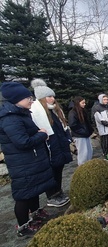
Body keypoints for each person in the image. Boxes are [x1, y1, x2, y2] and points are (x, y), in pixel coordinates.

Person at [0, 82, 56, 237]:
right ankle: (23, 226)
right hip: (22, 164)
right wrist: (42, 134)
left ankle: (36, 213)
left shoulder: (21, 113)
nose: (31, 100)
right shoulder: (10, 118)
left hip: (30, 161)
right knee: (24, 195)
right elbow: (22, 142)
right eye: (28, 98)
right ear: (17, 99)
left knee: (34, 189)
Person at [30, 79, 72, 208]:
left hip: (59, 145)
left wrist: (67, 139)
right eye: (49, 96)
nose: (53, 99)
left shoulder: (54, 111)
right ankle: (52, 196)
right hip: (50, 147)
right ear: (42, 98)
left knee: (59, 170)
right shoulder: (37, 112)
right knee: (52, 172)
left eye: (53, 96)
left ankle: (58, 192)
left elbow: (62, 126)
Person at [68, 96, 94, 166]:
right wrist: (83, 131)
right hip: (79, 136)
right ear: (78, 103)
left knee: (89, 151)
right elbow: (73, 125)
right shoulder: (73, 113)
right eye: (83, 103)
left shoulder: (82, 111)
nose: (84, 104)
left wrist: (90, 130)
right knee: (83, 153)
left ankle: (88, 166)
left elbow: (87, 123)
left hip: (85, 135)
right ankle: (82, 168)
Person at [94, 94, 108, 160]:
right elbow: (100, 120)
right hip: (104, 130)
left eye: (107, 99)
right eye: (104, 99)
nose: (106, 101)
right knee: (105, 143)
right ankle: (106, 154)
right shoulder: (97, 108)